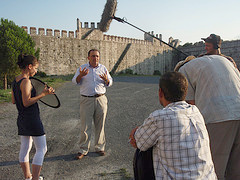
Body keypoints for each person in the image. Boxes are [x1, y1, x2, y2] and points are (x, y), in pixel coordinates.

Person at [129, 72, 217, 180]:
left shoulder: (159, 117)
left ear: (160, 92)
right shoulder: (195, 111)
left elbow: (139, 142)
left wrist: (137, 131)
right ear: (186, 91)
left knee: (143, 151)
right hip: (207, 177)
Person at [179, 55, 240, 179]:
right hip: (237, 108)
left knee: (213, 168)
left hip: (217, 117)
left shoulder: (183, 71)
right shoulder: (220, 60)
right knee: (236, 169)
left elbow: (190, 105)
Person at [11, 54, 55, 180]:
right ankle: (35, 178)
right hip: (32, 119)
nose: (36, 71)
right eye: (35, 68)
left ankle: (28, 177)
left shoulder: (16, 80)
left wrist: (43, 92)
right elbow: (26, 102)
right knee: (42, 148)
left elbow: (14, 101)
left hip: (22, 119)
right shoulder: (26, 81)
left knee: (25, 148)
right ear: (29, 66)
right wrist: (43, 94)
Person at [72, 49, 113, 159]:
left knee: (100, 124)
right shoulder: (82, 68)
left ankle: (99, 147)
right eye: (93, 56)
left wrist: (106, 80)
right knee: (85, 126)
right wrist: (80, 75)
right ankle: (83, 149)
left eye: (97, 56)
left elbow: (110, 82)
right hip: (87, 100)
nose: (95, 58)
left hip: (101, 99)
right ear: (88, 57)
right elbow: (74, 81)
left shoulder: (103, 68)